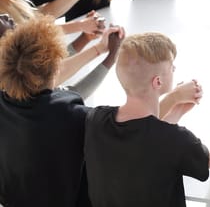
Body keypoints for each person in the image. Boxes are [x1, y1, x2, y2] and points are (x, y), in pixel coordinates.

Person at [84, 32, 210, 206]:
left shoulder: (96, 119)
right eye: (172, 66)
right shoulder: (175, 140)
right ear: (157, 82)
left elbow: (143, 139)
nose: (174, 69)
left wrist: (176, 107)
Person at [0, 15, 124, 206]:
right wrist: (110, 56)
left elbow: (54, 92)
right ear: (56, 66)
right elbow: (130, 129)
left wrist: (103, 53)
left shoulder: (6, 102)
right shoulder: (72, 114)